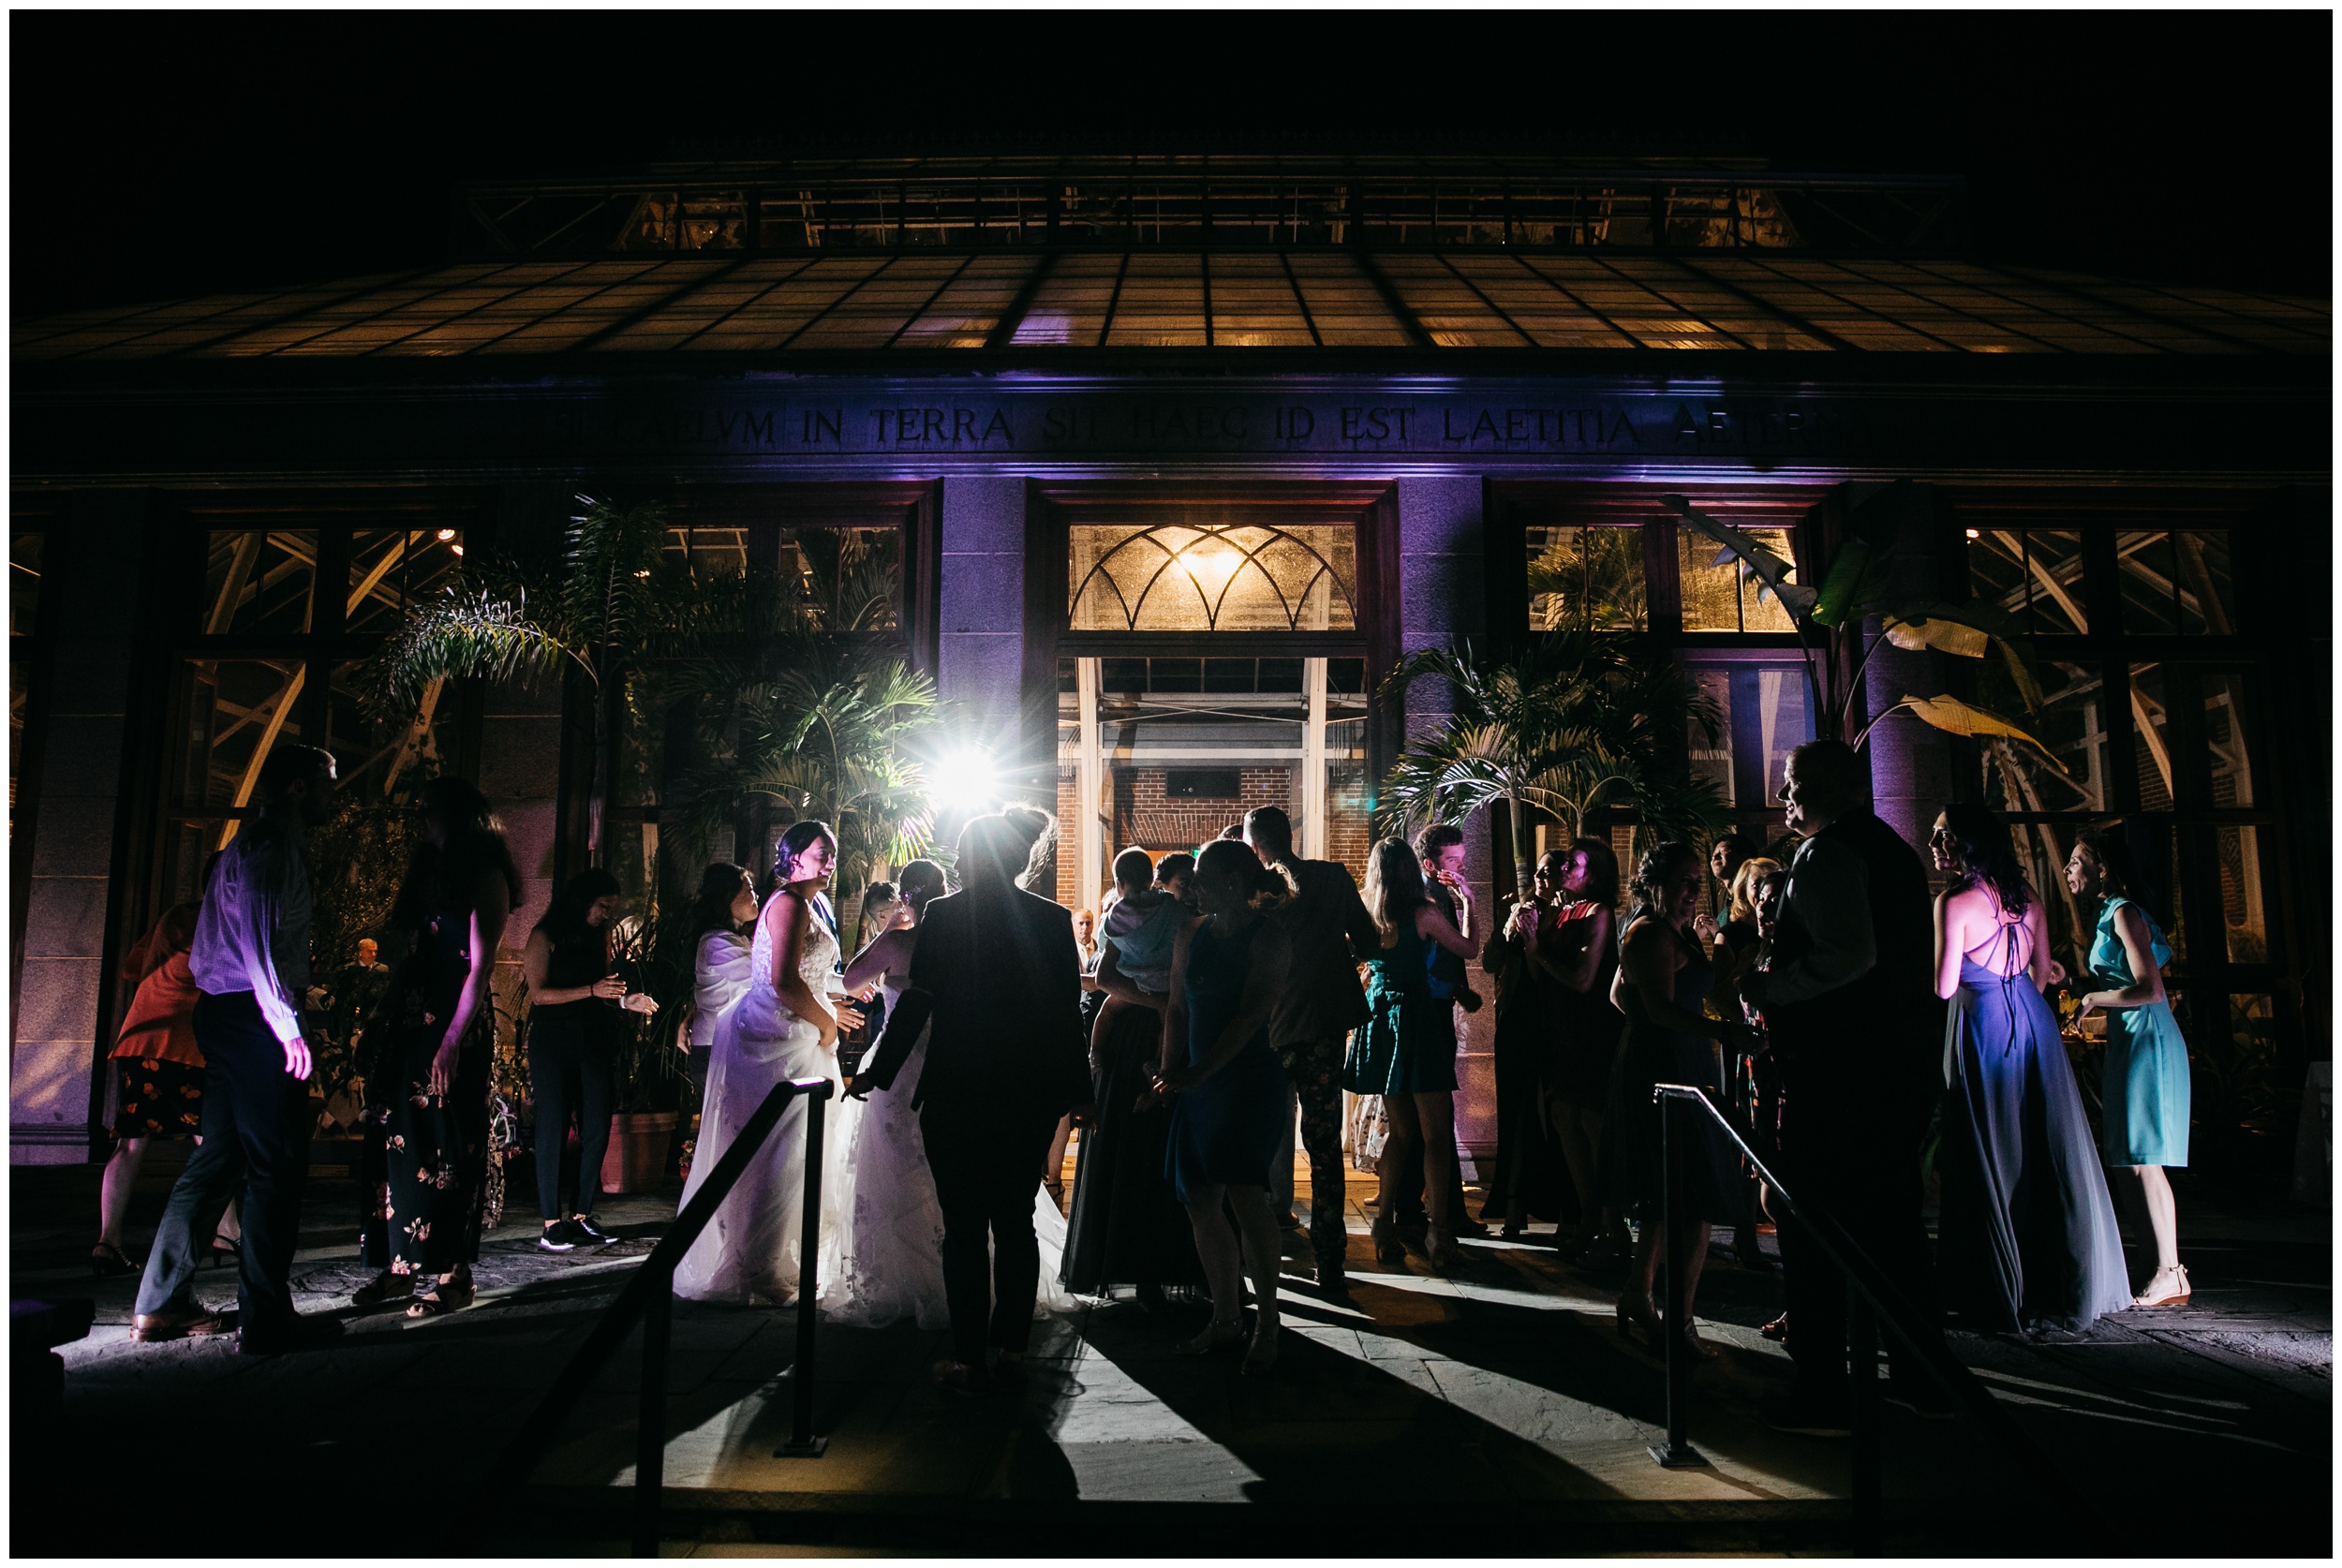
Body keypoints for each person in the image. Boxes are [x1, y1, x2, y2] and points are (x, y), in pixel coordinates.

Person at [1740, 740, 1946, 1434]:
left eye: (1794, 781)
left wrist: (1774, 988)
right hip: (1898, 1069)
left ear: (1828, 787)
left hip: (1837, 1074)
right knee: (1893, 1227)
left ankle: (1822, 1389)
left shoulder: (1828, 854)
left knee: (1812, 1226)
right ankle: (1922, 1374)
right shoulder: (1893, 851)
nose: (1783, 791)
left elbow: (1848, 954)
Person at [852, 812, 1094, 1393]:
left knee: (963, 1228)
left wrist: (877, 1072)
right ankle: (1011, 1348)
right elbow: (1066, 1016)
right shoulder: (1052, 919)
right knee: (1014, 1221)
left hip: (958, 1088)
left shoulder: (946, 916)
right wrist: (1078, 1093)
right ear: (1017, 860)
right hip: (1027, 1092)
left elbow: (917, 1002)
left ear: (968, 858)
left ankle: (968, 1357)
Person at [131, 744, 342, 1354]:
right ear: (300, 789)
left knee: (218, 1160)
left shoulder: (241, 849)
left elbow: (218, 947)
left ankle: (159, 1303)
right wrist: (287, 1025)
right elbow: (259, 946)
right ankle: (267, 1318)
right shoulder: (272, 849)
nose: (335, 795)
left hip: (224, 1013)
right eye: (327, 784)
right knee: (276, 1165)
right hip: (253, 1017)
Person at [1931, 806, 2130, 1334]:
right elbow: (2042, 973)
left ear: (1966, 844)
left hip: (1982, 1022)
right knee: (2042, 1148)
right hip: (2030, 1020)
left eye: (1941, 835)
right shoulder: (2028, 899)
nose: (1933, 844)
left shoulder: (1953, 901)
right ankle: (2048, 1278)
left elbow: (1945, 986)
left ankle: (1995, 1285)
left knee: (1989, 1150)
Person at [674, 821, 862, 1306]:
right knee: (776, 1152)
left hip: (799, 1035)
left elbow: (812, 973)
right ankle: (756, 1265)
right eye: (823, 852)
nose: (831, 861)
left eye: (833, 853)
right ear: (794, 857)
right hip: (775, 1039)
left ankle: (778, 1257)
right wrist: (826, 1024)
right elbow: (782, 981)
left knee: (800, 1153)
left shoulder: (811, 904)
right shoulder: (789, 904)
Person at [358, 777, 522, 1318]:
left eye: (432, 812)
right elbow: (410, 952)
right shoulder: (430, 871)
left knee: (451, 1143)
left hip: (454, 1018)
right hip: (412, 1018)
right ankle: (400, 1265)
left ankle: (455, 1273)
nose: (423, 820)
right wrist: (383, 1013)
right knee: (399, 1138)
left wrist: (452, 1040)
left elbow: (481, 968)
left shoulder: (487, 876)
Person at [1146, 838, 1297, 1372]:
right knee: (1199, 1199)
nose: (1192, 886)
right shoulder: (1191, 932)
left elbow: (1252, 1016)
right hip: (1195, 1084)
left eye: (1203, 876)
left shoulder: (1271, 939)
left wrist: (1197, 1072)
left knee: (1245, 1194)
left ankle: (1271, 1323)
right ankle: (1227, 1318)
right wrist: (1169, 1074)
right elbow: (1178, 1010)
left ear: (1234, 882)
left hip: (1247, 1081)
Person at [1600, 842, 1745, 1357]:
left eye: (1695, 881)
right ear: (1654, 882)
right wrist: (1720, 1034)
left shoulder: (1673, 931)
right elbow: (1657, 1011)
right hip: (1664, 1069)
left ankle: (1639, 1296)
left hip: (1680, 1061)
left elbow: (1621, 995)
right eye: (1681, 881)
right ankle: (1680, 1321)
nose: (1691, 891)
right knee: (1693, 1198)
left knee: (1675, 1197)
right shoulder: (1647, 933)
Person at [1060, 849, 1207, 1303]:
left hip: (1131, 1030)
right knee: (1164, 1139)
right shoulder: (1177, 913)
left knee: (1125, 1143)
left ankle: (1122, 1255)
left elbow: (1103, 979)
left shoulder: (1118, 919)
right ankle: (1167, 1258)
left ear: (1118, 880)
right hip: (1175, 1027)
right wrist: (1165, 1002)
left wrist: (1145, 1000)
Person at [1243, 806, 1377, 1291]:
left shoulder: (1250, 887)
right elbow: (1369, 943)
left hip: (1267, 1029)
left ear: (1254, 844)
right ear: (1289, 836)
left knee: (1256, 1139)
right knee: (1323, 1144)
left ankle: (1255, 1249)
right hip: (1320, 1026)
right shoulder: (1334, 878)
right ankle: (1331, 1257)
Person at [2068, 828, 2193, 1308]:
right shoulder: (2109, 913)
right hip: (2130, 1038)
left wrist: (2093, 998)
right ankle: (2153, 1265)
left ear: (2102, 866)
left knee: (2144, 1159)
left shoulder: (2123, 911)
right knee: (2127, 1159)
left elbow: (2150, 989)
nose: (2068, 869)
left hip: (2148, 1037)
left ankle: (2170, 1271)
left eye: (2077, 861)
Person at [1346, 836, 1479, 1270]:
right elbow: (1468, 949)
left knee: (1401, 1133)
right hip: (1416, 1020)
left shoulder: (1366, 912)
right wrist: (1469, 905)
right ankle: (1439, 1234)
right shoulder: (1422, 912)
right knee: (1435, 1134)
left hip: (1380, 1019)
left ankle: (1383, 1225)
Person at [96, 902, 242, 1277]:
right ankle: (226, 1233)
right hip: (182, 1041)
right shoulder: (221, 920)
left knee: (130, 1143)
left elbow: (133, 966)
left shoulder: (173, 916)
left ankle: (107, 1242)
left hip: (140, 1037)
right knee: (208, 1139)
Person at [523, 869, 658, 1252]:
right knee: (553, 1125)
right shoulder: (544, 935)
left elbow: (602, 990)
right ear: (582, 901)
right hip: (553, 1041)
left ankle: (581, 1215)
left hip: (593, 1039)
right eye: (602, 907)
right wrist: (591, 990)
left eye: (611, 909)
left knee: (597, 1125)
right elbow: (538, 994)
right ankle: (551, 1222)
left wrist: (622, 1000)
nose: (607, 915)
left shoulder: (598, 937)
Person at [686, 863, 761, 1108]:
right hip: (714, 1050)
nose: (755, 896)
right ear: (728, 897)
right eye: (748, 890)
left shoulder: (735, 939)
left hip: (727, 1046)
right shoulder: (717, 943)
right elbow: (764, 980)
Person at [1709, 832, 1756, 925]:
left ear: (1745, 858)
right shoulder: (1723, 915)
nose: (1715, 857)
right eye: (1714, 853)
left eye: (1724, 851)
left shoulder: (1756, 902)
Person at [1074, 908, 1100, 972]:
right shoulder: (1066, 951)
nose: (1085, 927)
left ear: (1093, 925)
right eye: (1081, 923)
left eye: (1088, 923)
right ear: (1072, 925)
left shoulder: (1101, 949)